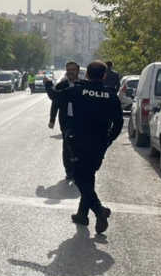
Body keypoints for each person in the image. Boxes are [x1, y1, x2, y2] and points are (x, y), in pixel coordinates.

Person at [43, 61, 124, 233]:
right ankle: (82, 214)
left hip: (79, 143)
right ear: (104, 76)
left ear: (86, 75)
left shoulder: (77, 90)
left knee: (80, 179)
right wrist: (108, 140)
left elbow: (55, 97)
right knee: (89, 177)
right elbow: (118, 123)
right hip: (99, 144)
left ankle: (99, 210)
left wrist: (48, 84)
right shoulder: (110, 95)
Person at [47, 61, 81, 179]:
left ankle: (79, 169)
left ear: (77, 70)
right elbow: (55, 102)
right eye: (68, 69)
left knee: (80, 145)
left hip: (81, 120)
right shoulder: (61, 85)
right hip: (66, 120)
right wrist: (52, 119)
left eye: (73, 69)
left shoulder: (83, 85)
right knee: (67, 146)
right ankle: (69, 171)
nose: (70, 72)